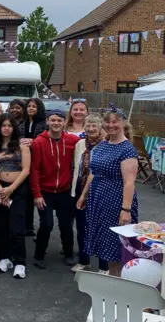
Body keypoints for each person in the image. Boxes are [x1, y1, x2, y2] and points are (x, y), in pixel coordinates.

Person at [78, 106, 138, 277]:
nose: (111, 125)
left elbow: (129, 183)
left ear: (123, 123)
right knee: (106, 242)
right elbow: (94, 172)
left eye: (115, 122)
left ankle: (119, 283)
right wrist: (84, 195)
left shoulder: (127, 149)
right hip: (99, 199)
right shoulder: (104, 144)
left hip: (116, 201)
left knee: (116, 244)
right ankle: (112, 278)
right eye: (107, 121)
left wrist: (125, 211)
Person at [30, 110, 80, 269]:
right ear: (47, 121)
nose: (56, 123)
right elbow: (34, 170)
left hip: (65, 190)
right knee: (46, 224)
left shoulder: (73, 140)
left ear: (65, 122)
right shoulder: (39, 142)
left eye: (59, 120)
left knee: (66, 225)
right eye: (53, 120)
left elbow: (91, 143)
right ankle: (39, 255)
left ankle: (68, 253)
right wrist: (36, 194)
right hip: (45, 191)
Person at [0, 114, 31, 279]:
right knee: (1, 226)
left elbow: (26, 170)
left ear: (14, 128)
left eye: (9, 125)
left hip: (17, 189)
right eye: (3, 125)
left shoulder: (22, 146)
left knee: (17, 227)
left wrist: (11, 189)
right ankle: (4, 258)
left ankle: (20, 262)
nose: (6, 128)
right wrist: (1, 189)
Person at [70, 114, 105, 273]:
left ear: (100, 128)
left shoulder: (106, 145)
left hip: (99, 190)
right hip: (79, 188)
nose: (91, 129)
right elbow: (75, 167)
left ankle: (104, 266)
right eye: (88, 126)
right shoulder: (79, 144)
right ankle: (84, 261)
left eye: (94, 126)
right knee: (82, 227)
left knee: (101, 228)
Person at [20, 98, 47, 236]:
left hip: (38, 161)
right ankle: (27, 225)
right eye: (29, 106)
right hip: (24, 160)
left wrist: (33, 141)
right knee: (26, 195)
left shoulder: (44, 124)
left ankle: (40, 226)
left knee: (37, 193)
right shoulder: (22, 123)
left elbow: (45, 139)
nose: (30, 108)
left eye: (34, 106)